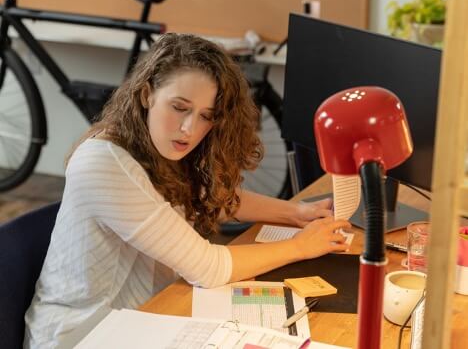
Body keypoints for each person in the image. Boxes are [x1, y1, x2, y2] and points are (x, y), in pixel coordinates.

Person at [24, 33, 350, 348]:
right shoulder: (105, 162)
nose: (189, 129)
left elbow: (210, 198)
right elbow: (207, 268)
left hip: (149, 313)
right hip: (86, 333)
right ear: (146, 94)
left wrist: (297, 213)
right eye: (179, 107)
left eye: (206, 116)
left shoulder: (157, 143)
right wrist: (300, 246)